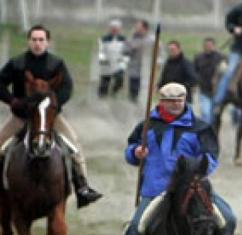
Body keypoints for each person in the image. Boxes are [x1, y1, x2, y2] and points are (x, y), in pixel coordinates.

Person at [120, 82, 236, 235]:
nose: (175, 105)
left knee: (227, 220)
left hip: (192, 189)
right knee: (136, 229)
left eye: (179, 101)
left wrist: (193, 167)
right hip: (156, 190)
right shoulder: (146, 126)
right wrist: (136, 153)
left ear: (185, 100)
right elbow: (129, 151)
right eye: (170, 101)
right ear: (160, 102)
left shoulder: (200, 128)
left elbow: (211, 158)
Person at [0, 25, 102, 208]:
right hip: (21, 117)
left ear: (47, 42)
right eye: (34, 40)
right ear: (28, 41)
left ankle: (83, 188)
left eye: (41, 40)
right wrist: (12, 101)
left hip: (49, 118)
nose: (37, 44)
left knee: (74, 147)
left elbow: (67, 87)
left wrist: (54, 104)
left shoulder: (56, 64)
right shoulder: (17, 63)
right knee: (0, 144)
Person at [193, 37, 224, 122]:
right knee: (205, 113)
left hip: (217, 91)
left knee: (213, 114)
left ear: (214, 46)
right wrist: (196, 82)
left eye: (210, 45)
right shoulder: (198, 57)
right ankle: (206, 131)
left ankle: (210, 130)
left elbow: (225, 71)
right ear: (204, 46)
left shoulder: (220, 57)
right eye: (206, 45)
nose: (208, 47)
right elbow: (194, 71)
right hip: (204, 90)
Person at [158, 40, 198, 105]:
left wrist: (180, 88)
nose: (171, 52)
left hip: (182, 98)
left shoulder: (186, 63)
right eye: (169, 50)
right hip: (168, 97)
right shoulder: (168, 63)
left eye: (173, 49)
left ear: (179, 49)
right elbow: (164, 77)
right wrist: (159, 86)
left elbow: (193, 79)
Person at [123, 19, 152, 102]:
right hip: (134, 69)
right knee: (133, 90)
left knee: (144, 91)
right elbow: (124, 50)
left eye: (139, 27)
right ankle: (133, 105)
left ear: (145, 29)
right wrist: (131, 48)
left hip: (146, 71)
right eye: (136, 27)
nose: (136, 29)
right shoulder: (131, 38)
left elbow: (160, 55)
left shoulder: (152, 40)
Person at [97, 19, 127, 98]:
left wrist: (123, 65)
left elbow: (125, 53)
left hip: (118, 65)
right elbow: (101, 52)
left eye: (116, 28)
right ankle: (102, 97)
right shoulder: (104, 39)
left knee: (119, 80)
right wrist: (104, 64)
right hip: (106, 65)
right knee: (104, 83)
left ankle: (114, 93)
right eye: (113, 28)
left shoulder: (123, 39)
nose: (114, 30)